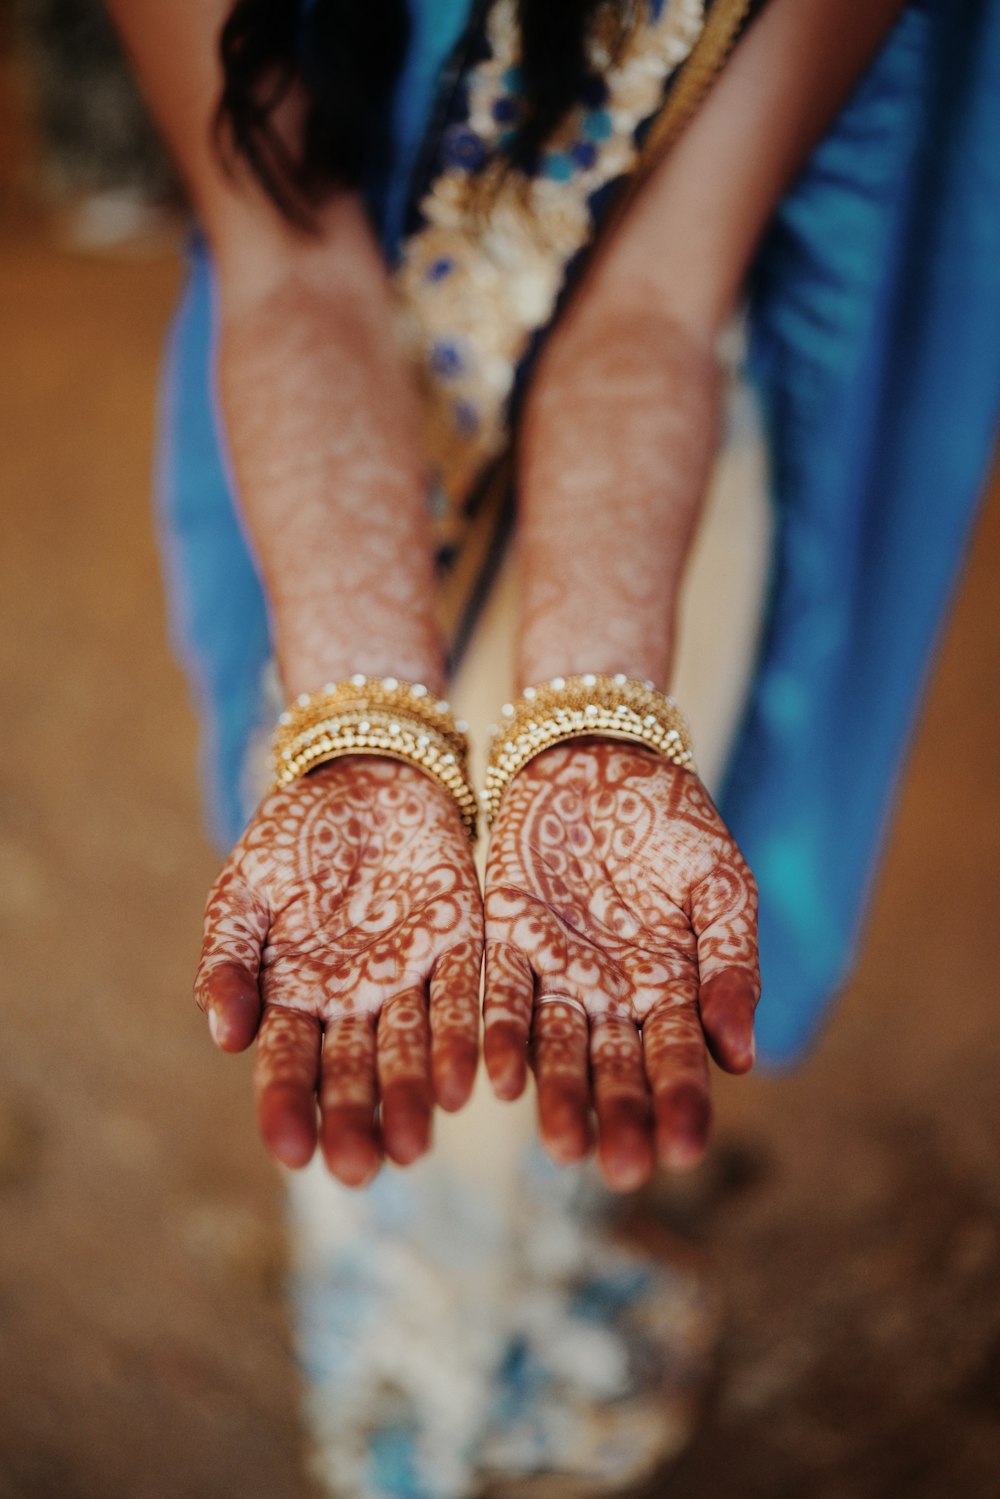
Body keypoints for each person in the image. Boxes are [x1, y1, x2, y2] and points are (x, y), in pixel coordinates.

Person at [105, 1, 1000, 1494]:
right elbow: (288, 272)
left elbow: (652, 310)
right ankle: (417, 1339)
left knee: (561, 986)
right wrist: (363, 712)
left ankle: (466, 1292)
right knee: (419, 1018)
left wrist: (593, 709)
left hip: (664, 417)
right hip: (338, 398)